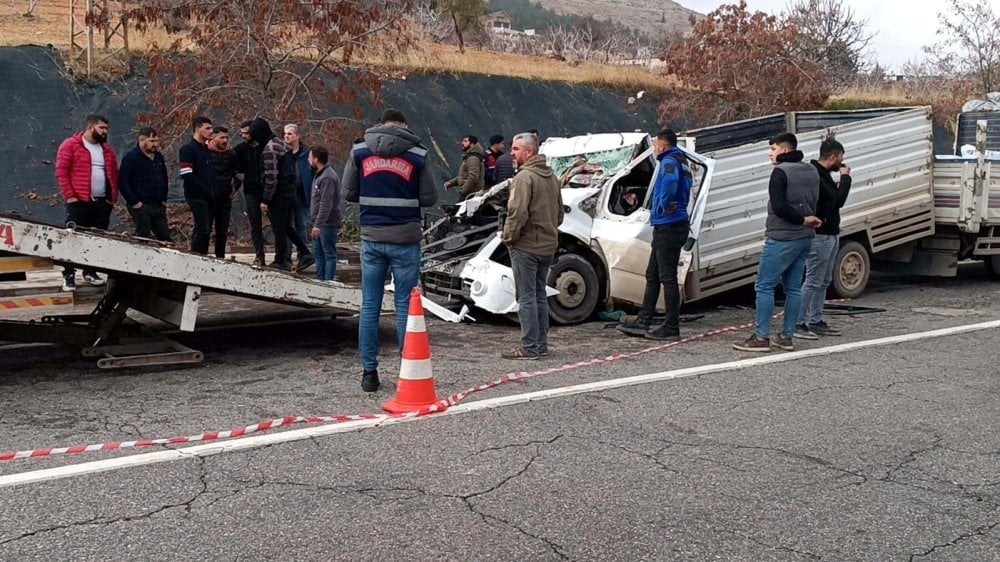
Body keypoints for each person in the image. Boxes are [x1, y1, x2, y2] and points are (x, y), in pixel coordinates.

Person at [343, 109, 437, 392]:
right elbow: (429, 197)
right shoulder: (418, 154)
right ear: (404, 126)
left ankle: (369, 373)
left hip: (372, 238)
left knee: (370, 306)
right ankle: (407, 370)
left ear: (381, 123)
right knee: (405, 308)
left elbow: (348, 192)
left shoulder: (360, 150)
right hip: (406, 239)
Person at [733, 132, 822, 353]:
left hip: (782, 237)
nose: (770, 155)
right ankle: (786, 336)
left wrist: (799, 219)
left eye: (772, 150)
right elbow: (818, 200)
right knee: (793, 287)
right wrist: (807, 220)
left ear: (783, 150)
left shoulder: (780, 173)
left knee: (764, 285)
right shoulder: (811, 170)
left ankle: (761, 337)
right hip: (805, 237)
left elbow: (780, 207)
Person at [616, 128, 692, 341]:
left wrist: (661, 205)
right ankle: (644, 320)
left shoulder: (669, 162)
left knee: (667, 278)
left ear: (662, 145)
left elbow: (669, 183)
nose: (654, 148)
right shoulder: (681, 160)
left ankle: (671, 326)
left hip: (670, 225)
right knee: (653, 275)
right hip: (670, 226)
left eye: (656, 144)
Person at [500, 132, 564, 360]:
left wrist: (508, 237)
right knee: (538, 294)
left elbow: (517, 213)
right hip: (547, 245)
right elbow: (559, 214)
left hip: (526, 246)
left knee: (525, 296)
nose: (511, 153)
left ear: (529, 152)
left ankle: (529, 347)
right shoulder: (551, 176)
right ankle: (540, 343)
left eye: (516, 149)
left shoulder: (524, 178)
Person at [795, 138, 852, 340]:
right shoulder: (816, 175)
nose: (842, 163)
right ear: (834, 157)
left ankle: (816, 319)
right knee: (813, 279)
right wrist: (845, 179)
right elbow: (837, 201)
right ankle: (798, 322)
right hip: (820, 235)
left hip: (831, 233)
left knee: (824, 280)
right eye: (841, 159)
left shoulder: (824, 175)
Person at [55, 113, 119, 292]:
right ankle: (68, 275)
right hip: (78, 202)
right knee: (72, 238)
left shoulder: (107, 150)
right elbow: (62, 171)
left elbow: (113, 174)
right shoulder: (71, 145)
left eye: (106, 128)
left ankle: (90, 272)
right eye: (102, 128)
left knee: (96, 237)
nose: (105, 131)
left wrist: (111, 198)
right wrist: (70, 196)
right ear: (91, 127)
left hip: (101, 202)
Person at [252, 117, 315, 272]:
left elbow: (271, 176)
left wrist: (265, 199)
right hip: (289, 192)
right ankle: (304, 253)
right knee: (286, 227)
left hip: (279, 195)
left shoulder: (269, 149)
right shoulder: (280, 144)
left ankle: (281, 259)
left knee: (279, 228)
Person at [119, 126, 170, 242]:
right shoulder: (131, 158)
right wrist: (134, 202)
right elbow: (123, 182)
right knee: (143, 236)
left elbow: (164, 178)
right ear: (141, 141)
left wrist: (163, 199)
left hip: (158, 205)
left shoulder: (158, 157)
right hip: (141, 205)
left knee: (165, 237)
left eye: (157, 141)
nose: (156, 144)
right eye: (152, 141)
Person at [179, 116, 220, 256]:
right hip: (196, 195)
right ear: (197, 129)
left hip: (209, 196)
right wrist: (204, 191)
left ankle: (200, 254)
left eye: (211, 128)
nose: (211, 131)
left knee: (204, 228)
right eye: (207, 128)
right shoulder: (187, 149)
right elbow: (187, 175)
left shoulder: (206, 150)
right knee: (203, 228)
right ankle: (197, 256)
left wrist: (213, 191)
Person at [234, 119, 266, 266]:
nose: (244, 136)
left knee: (280, 224)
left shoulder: (265, 147)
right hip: (251, 191)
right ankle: (260, 255)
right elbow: (234, 169)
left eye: (246, 133)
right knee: (255, 224)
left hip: (267, 190)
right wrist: (235, 186)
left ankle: (282, 257)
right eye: (242, 134)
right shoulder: (240, 149)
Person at [308, 145, 342, 282]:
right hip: (319, 222)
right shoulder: (319, 175)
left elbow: (326, 203)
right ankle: (320, 279)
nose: (308, 159)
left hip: (326, 223)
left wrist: (318, 225)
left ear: (316, 159)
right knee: (318, 252)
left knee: (328, 253)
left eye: (310, 157)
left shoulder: (327, 177)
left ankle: (328, 282)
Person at [206, 126, 239, 258]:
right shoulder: (205, 153)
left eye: (226, 137)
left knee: (222, 231)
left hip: (225, 198)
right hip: (209, 197)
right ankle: (199, 255)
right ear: (213, 138)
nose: (225, 140)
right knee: (205, 229)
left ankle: (220, 257)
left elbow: (238, 174)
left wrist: (234, 189)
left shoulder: (231, 154)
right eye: (222, 137)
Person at [284, 124, 313, 260]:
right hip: (287, 195)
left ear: (297, 136)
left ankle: (303, 254)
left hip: (302, 195)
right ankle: (286, 255)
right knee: (286, 225)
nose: (286, 136)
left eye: (289, 134)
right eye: (285, 134)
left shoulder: (306, 153)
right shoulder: (284, 153)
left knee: (301, 225)